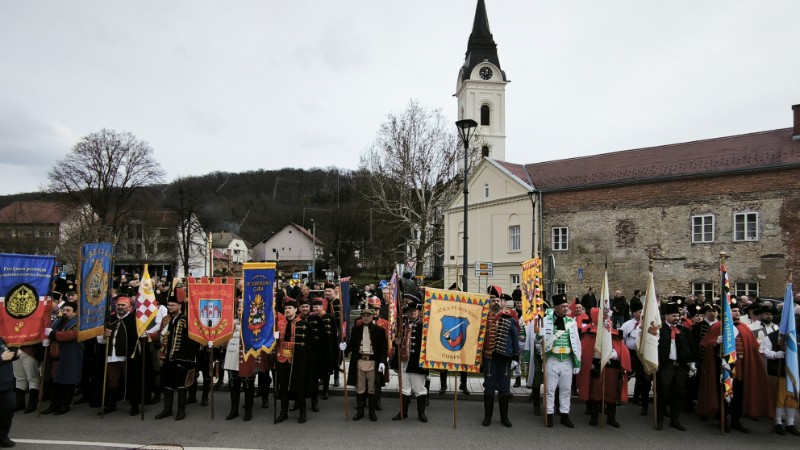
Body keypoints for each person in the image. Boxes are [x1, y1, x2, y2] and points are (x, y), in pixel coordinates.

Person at [697, 297, 773, 433]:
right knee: (724, 393)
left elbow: (752, 348)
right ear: (725, 312)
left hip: (741, 366)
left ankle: (735, 420)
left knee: (738, 394)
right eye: (733, 311)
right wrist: (716, 342)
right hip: (724, 367)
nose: (737, 313)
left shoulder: (743, 327)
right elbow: (706, 345)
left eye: (738, 310)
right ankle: (722, 419)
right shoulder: (717, 327)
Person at [577, 307, 631, 427]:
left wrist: (619, 358)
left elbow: (622, 350)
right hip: (596, 368)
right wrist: (589, 364)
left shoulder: (615, 334)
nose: (608, 320)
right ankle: (594, 417)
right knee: (595, 393)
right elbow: (584, 352)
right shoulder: (589, 334)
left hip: (611, 367)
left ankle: (611, 418)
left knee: (611, 393)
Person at [223, 299, 272, 422]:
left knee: (248, 386)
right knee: (233, 385)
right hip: (232, 359)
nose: (240, 312)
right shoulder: (230, 323)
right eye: (239, 309)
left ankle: (248, 410)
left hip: (247, 360)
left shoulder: (254, 325)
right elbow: (223, 341)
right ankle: (234, 410)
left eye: (243, 310)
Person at [154, 294, 199, 421]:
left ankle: (181, 410)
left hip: (181, 358)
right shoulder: (168, 319)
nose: (170, 307)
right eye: (168, 305)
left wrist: (186, 359)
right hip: (168, 357)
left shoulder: (184, 320)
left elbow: (190, 342)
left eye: (172, 305)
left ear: (179, 306)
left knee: (181, 384)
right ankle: (167, 409)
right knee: (167, 382)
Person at [539, 293, 581, 428]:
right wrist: (537, 336)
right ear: (555, 306)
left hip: (567, 359)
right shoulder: (545, 321)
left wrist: (577, 361)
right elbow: (537, 341)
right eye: (562, 306)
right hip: (552, 358)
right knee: (550, 390)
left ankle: (564, 415)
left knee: (566, 389)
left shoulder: (571, 322)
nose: (565, 308)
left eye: (566, 306)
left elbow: (576, 342)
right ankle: (549, 414)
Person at [651, 301, 694, 431]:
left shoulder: (684, 330)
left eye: (678, 315)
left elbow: (691, 347)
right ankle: (659, 420)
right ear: (666, 316)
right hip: (665, 367)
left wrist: (692, 363)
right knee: (662, 394)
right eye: (674, 315)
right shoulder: (658, 330)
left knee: (678, 394)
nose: (677, 318)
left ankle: (675, 420)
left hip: (680, 366)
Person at [481, 286, 520, 428]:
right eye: (492, 300)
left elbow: (515, 338)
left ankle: (505, 417)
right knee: (489, 388)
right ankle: (487, 417)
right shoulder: (483, 317)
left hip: (504, 358)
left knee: (504, 388)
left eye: (497, 300)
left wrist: (516, 357)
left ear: (501, 301)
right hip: (489, 358)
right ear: (489, 302)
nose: (495, 302)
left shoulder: (508, 317)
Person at [96, 296, 141, 415]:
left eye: (123, 305)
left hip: (128, 356)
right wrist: (104, 335)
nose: (120, 307)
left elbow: (138, 339)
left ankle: (134, 405)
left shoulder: (134, 320)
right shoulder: (110, 319)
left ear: (129, 307)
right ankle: (111, 404)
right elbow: (101, 340)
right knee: (112, 380)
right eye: (118, 305)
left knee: (131, 380)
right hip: (112, 355)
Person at [341, 308, 387, 422]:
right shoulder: (356, 330)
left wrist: (382, 362)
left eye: (368, 316)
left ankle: (372, 411)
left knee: (372, 387)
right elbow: (352, 345)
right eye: (364, 316)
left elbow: (382, 349)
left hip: (373, 362)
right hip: (359, 362)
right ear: (361, 317)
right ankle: (360, 411)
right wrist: (344, 348)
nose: (366, 318)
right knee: (360, 387)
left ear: (372, 317)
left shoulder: (379, 330)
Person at [275, 299, 315, 424]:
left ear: (295, 310)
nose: (287, 310)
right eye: (286, 308)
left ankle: (302, 412)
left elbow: (309, 345)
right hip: (282, 359)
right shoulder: (279, 324)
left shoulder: (302, 324)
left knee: (300, 386)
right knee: (283, 387)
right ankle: (283, 412)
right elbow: (276, 343)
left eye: (290, 308)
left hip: (297, 360)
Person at [41, 301, 83, 415]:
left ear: (75, 312)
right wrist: (46, 338)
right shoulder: (58, 321)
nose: (65, 312)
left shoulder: (78, 323)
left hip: (69, 356)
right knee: (54, 381)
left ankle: (65, 405)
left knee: (67, 382)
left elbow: (70, 335)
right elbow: (48, 331)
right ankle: (54, 405)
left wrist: (53, 335)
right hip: (55, 356)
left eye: (68, 310)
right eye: (64, 310)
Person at [760, 321, 800, 436]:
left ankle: (790, 424)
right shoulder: (772, 337)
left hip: (794, 373)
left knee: (792, 398)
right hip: (778, 372)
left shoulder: (796, 337)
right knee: (779, 398)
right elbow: (763, 350)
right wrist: (776, 354)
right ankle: (777, 422)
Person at [390, 301, 428, 422]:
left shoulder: (424, 327)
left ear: (419, 312)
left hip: (417, 362)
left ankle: (421, 413)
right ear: (406, 313)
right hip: (403, 361)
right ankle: (403, 412)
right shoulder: (401, 326)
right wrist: (396, 343)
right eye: (410, 311)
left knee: (419, 389)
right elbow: (393, 341)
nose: (413, 313)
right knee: (404, 388)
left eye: (415, 311)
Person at [619, 300, 649, 415]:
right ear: (634, 313)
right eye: (639, 312)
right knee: (627, 374)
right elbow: (621, 338)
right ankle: (620, 396)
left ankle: (637, 397)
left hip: (642, 354)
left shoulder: (646, 324)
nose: (641, 314)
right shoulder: (627, 325)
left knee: (642, 377)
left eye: (642, 311)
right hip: (630, 353)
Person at [0, 337, 19, 448]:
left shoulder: (1, 340)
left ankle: (3, 436)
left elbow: (6, 355)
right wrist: (1, 359)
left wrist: (15, 355)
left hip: (5, 384)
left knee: (7, 411)